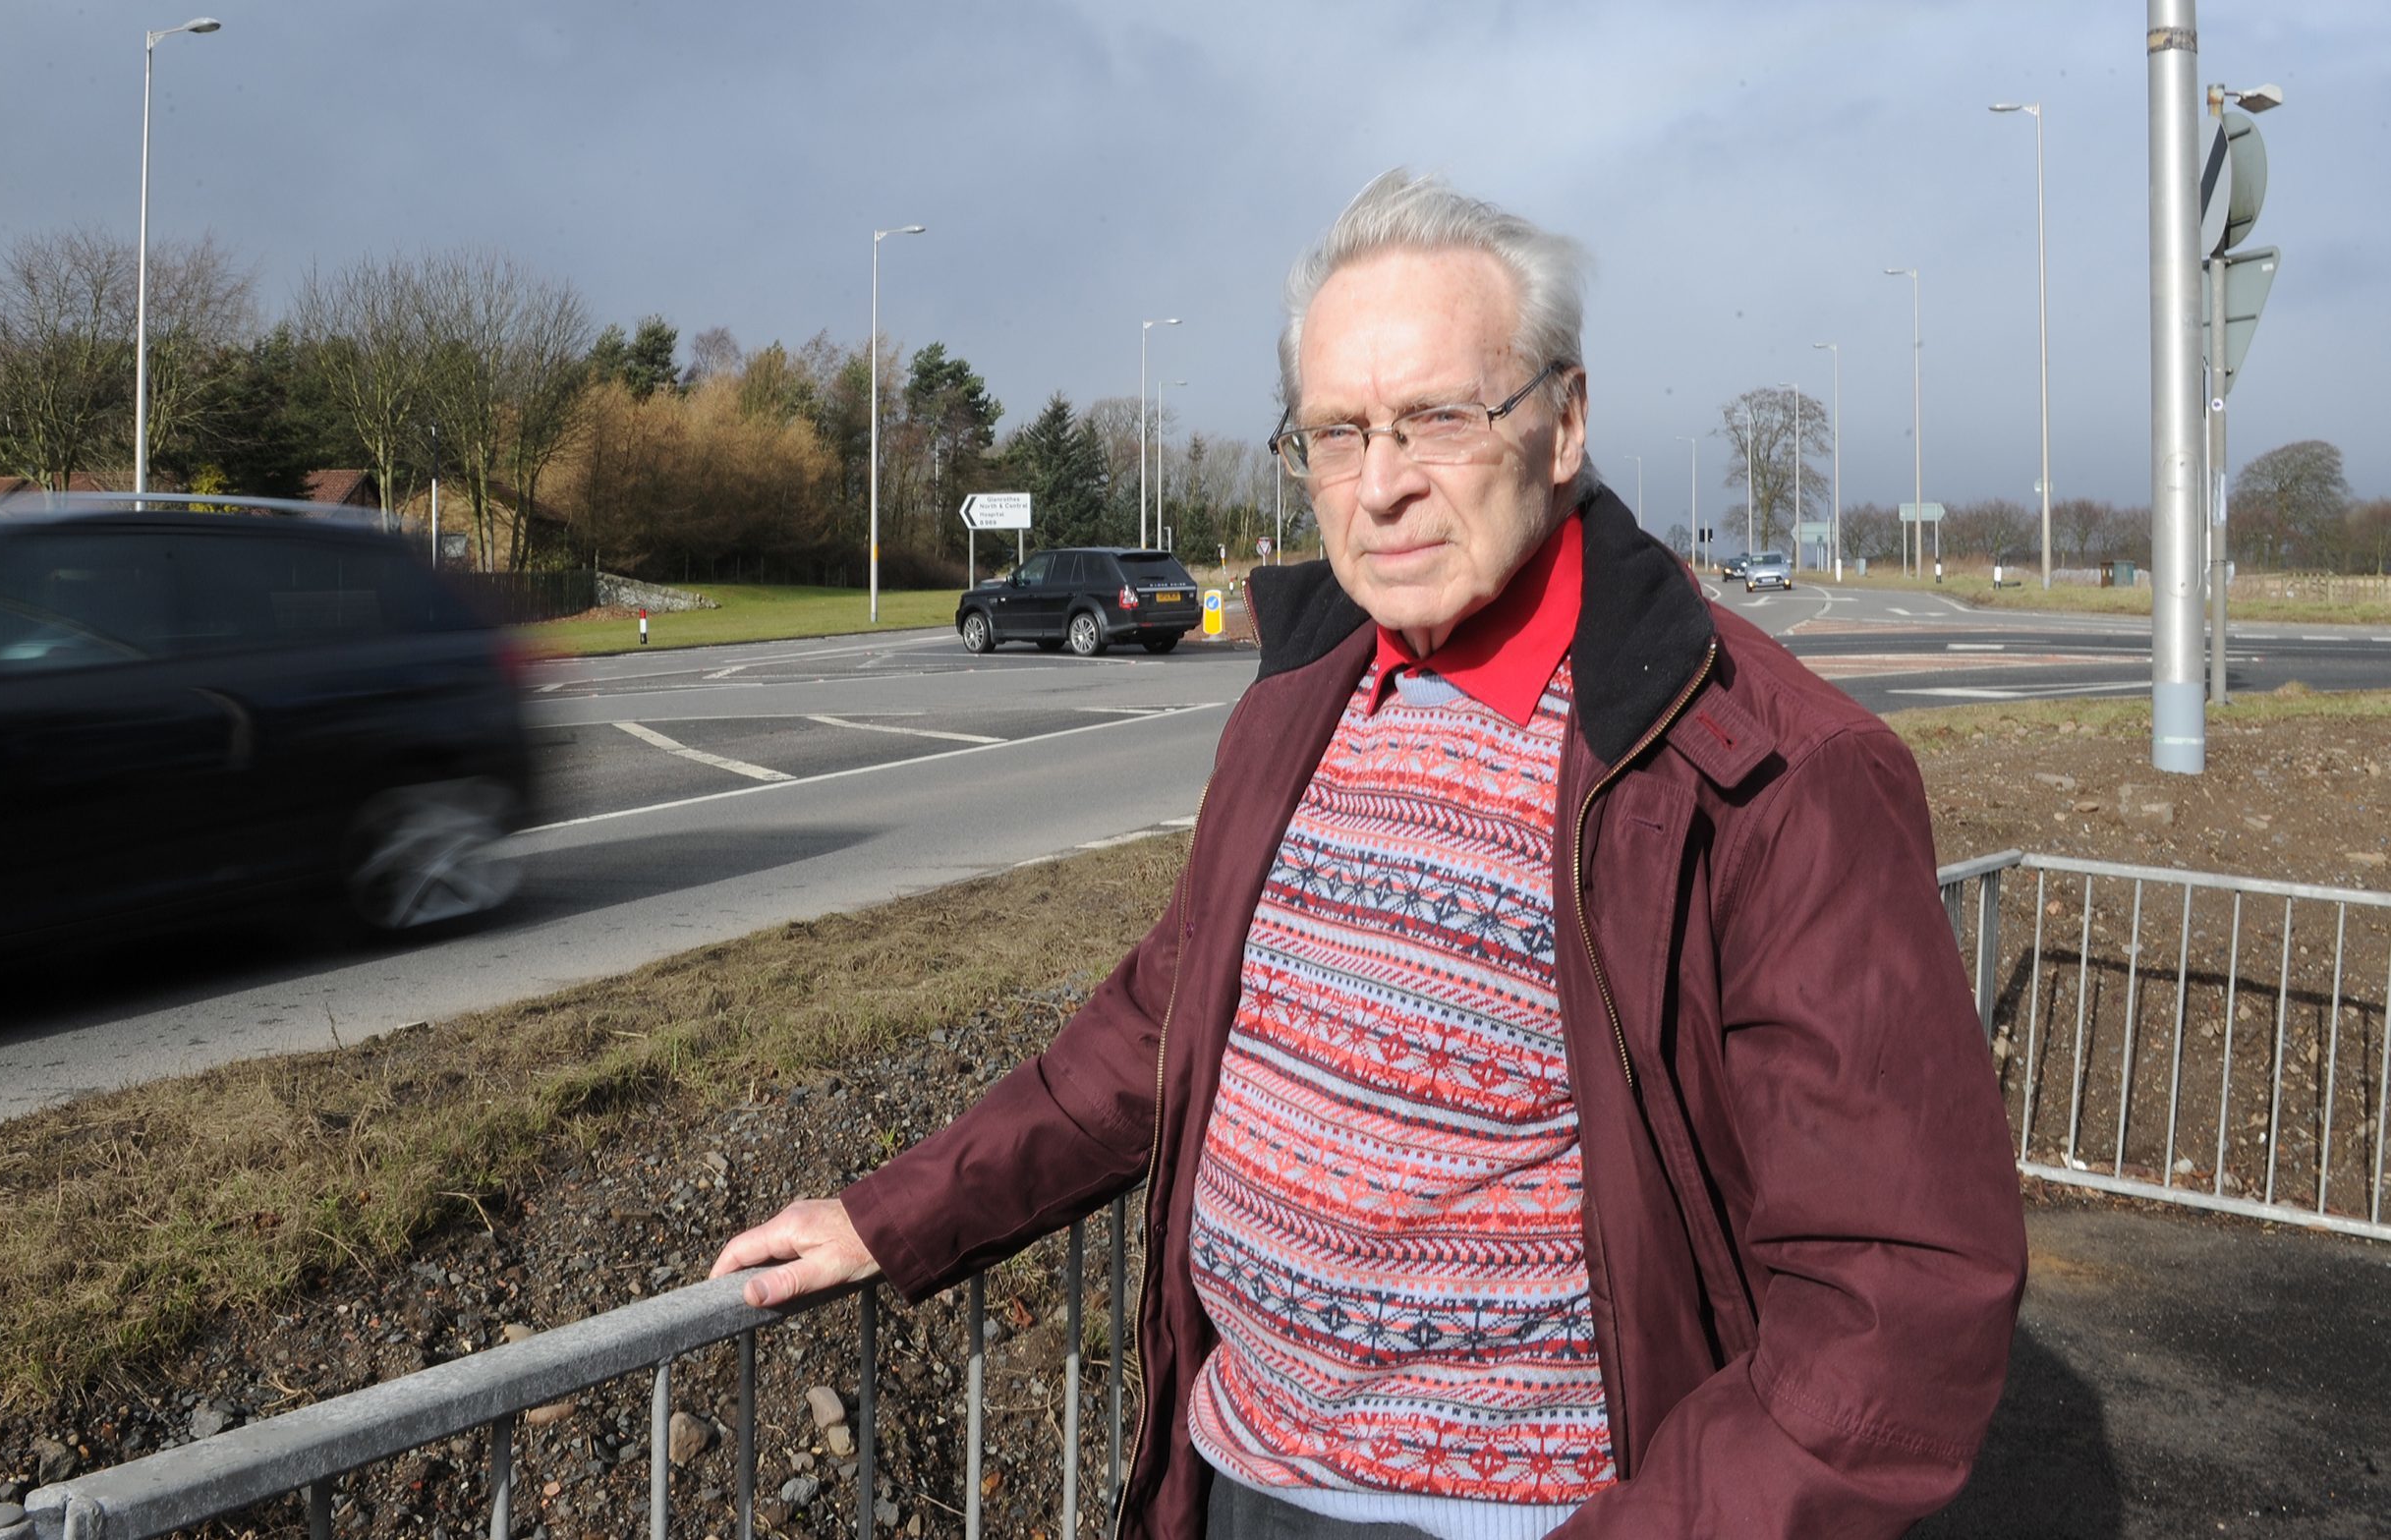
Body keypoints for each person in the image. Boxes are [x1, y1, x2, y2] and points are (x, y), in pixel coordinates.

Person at [713, 170, 2025, 1539]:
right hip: (1236, 1477)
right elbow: (1166, 1021)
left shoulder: (1769, 774)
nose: (1382, 486)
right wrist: (897, 1212)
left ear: (1562, 423)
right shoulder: (1304, 696)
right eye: (1336, 433)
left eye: (1437, 419)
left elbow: (1896, 1300)